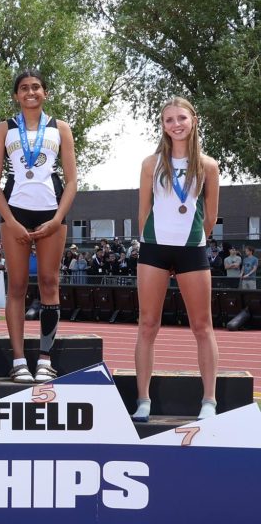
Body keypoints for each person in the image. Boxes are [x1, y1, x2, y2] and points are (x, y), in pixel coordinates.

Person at [132, 97, 221, 422]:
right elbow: (143, 211)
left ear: (193, 120)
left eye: (181, 117)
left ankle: (208, 401)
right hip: (154, 249)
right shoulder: (150, 163)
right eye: (168, 120)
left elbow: (210, 217)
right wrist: (152, 241)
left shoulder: (208, 166)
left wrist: (193, 238)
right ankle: (143, 400)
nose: (175, 124)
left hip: (192, 250)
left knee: (202, 325)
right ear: (163, 125)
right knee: (147, 325)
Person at [0, 69, 78, 384]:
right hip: (15, 213)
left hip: (51, 212)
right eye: (24, 88)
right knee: (16, 286)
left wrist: (56, 220)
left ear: (45, 93)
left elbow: (71, 182)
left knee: (50, 283)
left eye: (36, 87)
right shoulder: (4, 129)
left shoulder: (61, 129)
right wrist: (10, 221)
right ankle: (17, 361)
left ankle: (44, 358)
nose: (30, 92)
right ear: (16, 95)